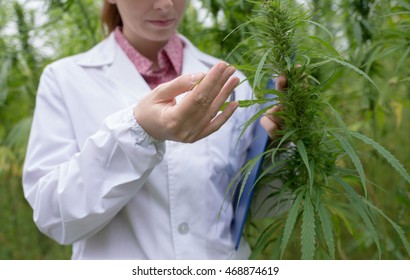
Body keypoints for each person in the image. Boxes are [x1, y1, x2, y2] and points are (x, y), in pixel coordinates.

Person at [22, 0, 283, 260]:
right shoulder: (64, 80)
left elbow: (261, 206)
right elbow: (54, 216)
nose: (165, 4)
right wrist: (140, 131)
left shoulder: (231, 83)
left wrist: (279, 144)